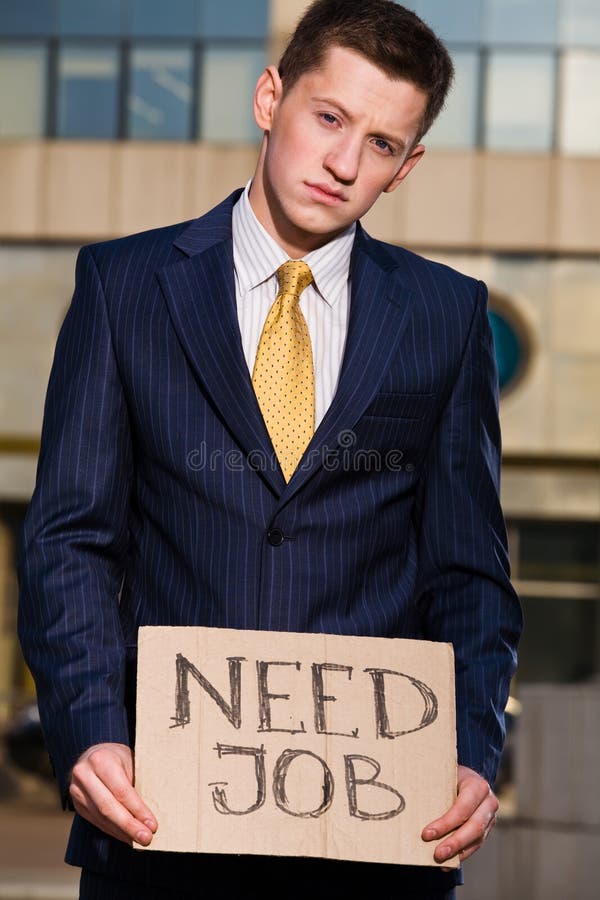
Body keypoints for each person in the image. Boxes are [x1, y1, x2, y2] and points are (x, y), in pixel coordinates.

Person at [17, 1, 522, 898]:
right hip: (158, 827)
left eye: (380, 144)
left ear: (407, 168)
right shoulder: (123, 286)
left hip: (379, 841)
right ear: (269, 97)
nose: (342, 162)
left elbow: (470, 574)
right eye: (329, 118)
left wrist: (475, 750)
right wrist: (90, 728)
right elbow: (70, 541)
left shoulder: (445, 316)